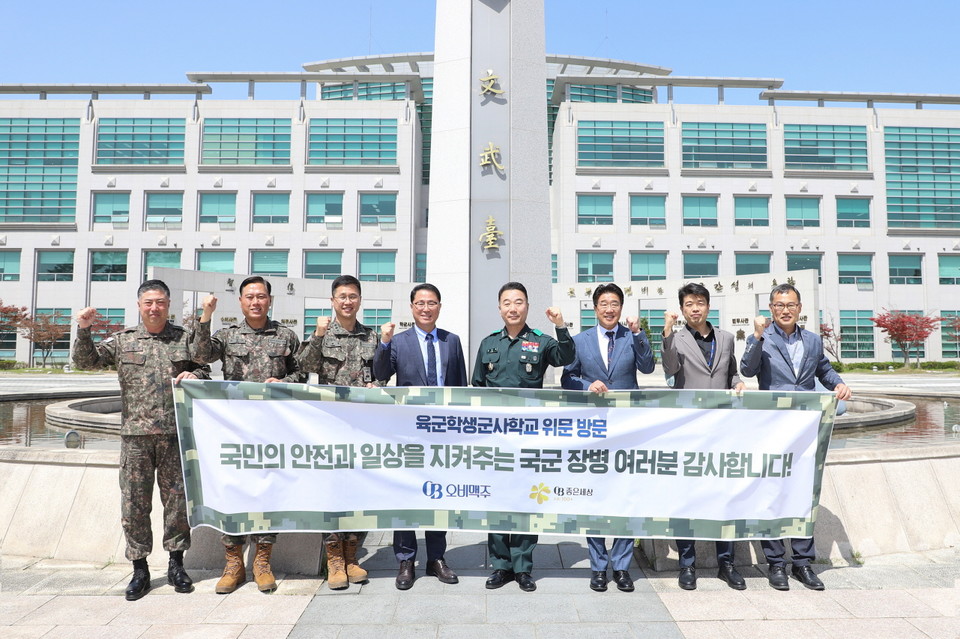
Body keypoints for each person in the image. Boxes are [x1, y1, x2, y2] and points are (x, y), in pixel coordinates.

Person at [72, 280, 210, 601]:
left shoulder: (184, 339)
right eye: (148, 302)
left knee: (177, 504)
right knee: (134, 504)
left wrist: (196, 374)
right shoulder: (124, 341)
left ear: (168, 304)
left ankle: (176, 564)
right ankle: (140, 569)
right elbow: (86, 361)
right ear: (139, 306)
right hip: (136, 438)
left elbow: (205, 369)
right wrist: (84, 330)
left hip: (175, 436)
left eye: (160, 302)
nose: (154, 308)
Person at [194, 275, 306, 594]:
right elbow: (201, 355)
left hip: (272, 431)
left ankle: (262, 561)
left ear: (270, 300)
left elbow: (302, 372)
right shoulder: (227, 335)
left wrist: (284, 383)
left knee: (268, 491)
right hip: (235, 430)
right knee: (233, 492)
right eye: (250, 297)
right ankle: (233, 564)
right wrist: (205, 316)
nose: (256, 302)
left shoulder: (286, 335)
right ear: (241, 301)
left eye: (261, 296)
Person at [740, 283, 852, 592]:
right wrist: (757, 336)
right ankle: (776, 563)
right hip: (773, 428)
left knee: (802, 493)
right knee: (771, 493)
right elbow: (747, 369)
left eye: (791, 304)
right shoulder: (762, 337)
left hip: (805, 429)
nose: (785, 310)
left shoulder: (813, 340)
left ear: (800, 308)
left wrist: (838, 384)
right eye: (779, 305)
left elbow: (824, 371)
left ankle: (803, 563)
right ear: (771, 309)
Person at [472, 281, 575, 592]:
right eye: (507, 303)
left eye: (518, 302)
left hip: (529, 437)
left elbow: (565, 356)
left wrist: (560, 326)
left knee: (526, 500)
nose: (513, 308)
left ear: (527, 306)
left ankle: (523, 567)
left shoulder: (540, 341)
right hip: (495, 440)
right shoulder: (489, 343)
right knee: (497, 498)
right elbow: (477, 386)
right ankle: (500, 566)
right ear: (499, 308)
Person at [372, 282, 467, 590]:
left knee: (438, 493)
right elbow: (380, 374)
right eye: (420, 303)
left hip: (442, 434)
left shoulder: (452, 341)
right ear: (412, 307)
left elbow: (461, 387)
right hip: (408, 434)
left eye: (432, 303)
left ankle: (436, 558)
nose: (426, 308)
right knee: (406, 495)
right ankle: (405, 560)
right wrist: (384, 342)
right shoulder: (398, 341)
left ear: (439, 306)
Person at [561, 283, 654, 593]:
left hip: (628, 429)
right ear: (595, 308)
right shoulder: (580, 340)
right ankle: (599, 567)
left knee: (627, 495)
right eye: (604, 303)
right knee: (596, 495)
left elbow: (648, 366)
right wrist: (586, 386)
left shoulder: (631, 336)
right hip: (595, 430)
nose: (609, 309)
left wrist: (639, 334)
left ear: (621, 308)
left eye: (614, 303)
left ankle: (622, 566)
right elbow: (568, 377)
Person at [296, 274, 381, 590]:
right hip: (329, 428)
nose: (348, 301)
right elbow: (304, 365)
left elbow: (381, 373)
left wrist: (377, 384)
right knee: (330, 491)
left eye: (353, 296)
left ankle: (351, 556)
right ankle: (333, 560)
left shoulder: (371, 336)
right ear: (333, 301)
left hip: (362, 427)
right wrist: (318, 335)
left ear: (360, 300)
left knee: (360, 489)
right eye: (342, 296)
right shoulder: (323, 333)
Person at [660, 282, 746, 591]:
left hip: (722, 430)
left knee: (725, 497)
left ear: (708, 306)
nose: (695, 308)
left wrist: (737, 383)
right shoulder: (677, 338)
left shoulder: (726, 338)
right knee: (687, 498)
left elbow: (731, 372)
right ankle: (687, 564)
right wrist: (667, 333)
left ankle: (727, 563)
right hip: (689, 431)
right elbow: (670, 371)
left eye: (699, 303)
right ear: (682, 309)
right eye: (689, 304)